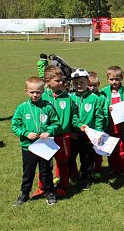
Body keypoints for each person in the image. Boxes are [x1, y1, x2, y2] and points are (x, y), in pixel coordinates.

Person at [11, 77, 60, 206]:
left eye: (38, 92)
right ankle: (24, 193)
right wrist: (26, 133)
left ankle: (49, 192)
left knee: (46, 171)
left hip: (44, 146)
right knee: (28, 171)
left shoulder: (48, 107)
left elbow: (56, 123)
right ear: (26, 91)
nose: (35, 95)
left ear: (43, 91)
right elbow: (15, 125)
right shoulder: (22, 108)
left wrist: (48, 131)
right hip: (29, 147)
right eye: (32, 92)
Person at [33, 66, 80, 198]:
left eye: (61, 80)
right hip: (46, 136)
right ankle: (42, 187)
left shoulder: (67, 97)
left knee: (63, 162)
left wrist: (77, 127)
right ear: (47, 81)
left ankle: (63, 186)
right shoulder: (42, 97)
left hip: (63, 136)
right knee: (44, 164)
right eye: (57, 81)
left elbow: (74, 117)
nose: (61, 83)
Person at [69, 68, 106, 190]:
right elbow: (69, 117)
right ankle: (72, 176)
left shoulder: (95, 98)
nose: (78, 85)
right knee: (71, 157)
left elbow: (99, 116)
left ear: (87, 82)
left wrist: (98, 132)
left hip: (89, 135)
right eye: (75, 83)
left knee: (87, 158)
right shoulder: (70, 98)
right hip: (74, 134)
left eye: (81, 82)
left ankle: (86, 178)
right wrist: (70, 131)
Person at [100, 66, 124, 175]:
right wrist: (107, 108)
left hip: (122, 126)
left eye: (117, 79)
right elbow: (100, 107)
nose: (114, 82)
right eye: (111, 79)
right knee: (111, 148)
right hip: (110, 126)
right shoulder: (103, 92)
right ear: (107, 79)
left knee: (122, 147)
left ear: (121, 79)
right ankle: (113, 167)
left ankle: (123, 166)